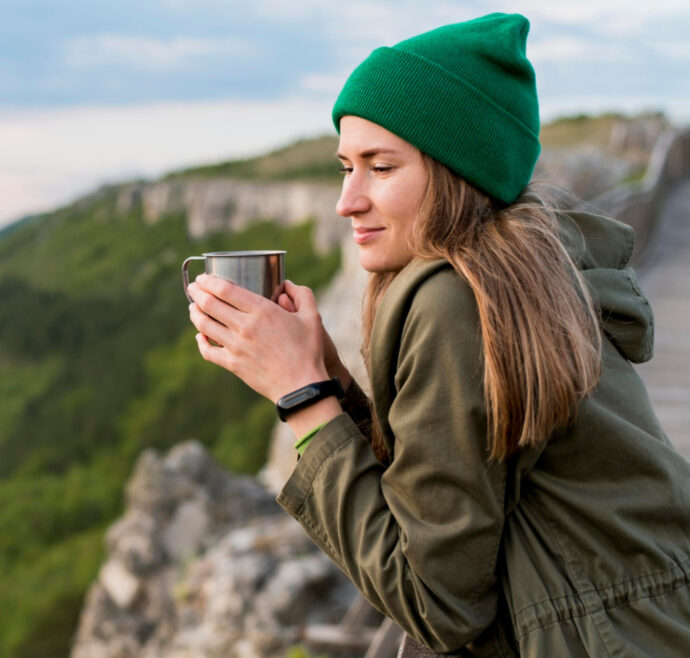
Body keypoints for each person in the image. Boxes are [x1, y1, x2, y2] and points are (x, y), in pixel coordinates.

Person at [185, 12, 690, 657]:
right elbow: (458, 476)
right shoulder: (520, 275)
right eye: (346, 166)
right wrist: (333, 381)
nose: (347, 200)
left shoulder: (457, 299)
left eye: (381, 167)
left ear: (458, 171)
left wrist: (301, 398)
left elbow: (438, 601)